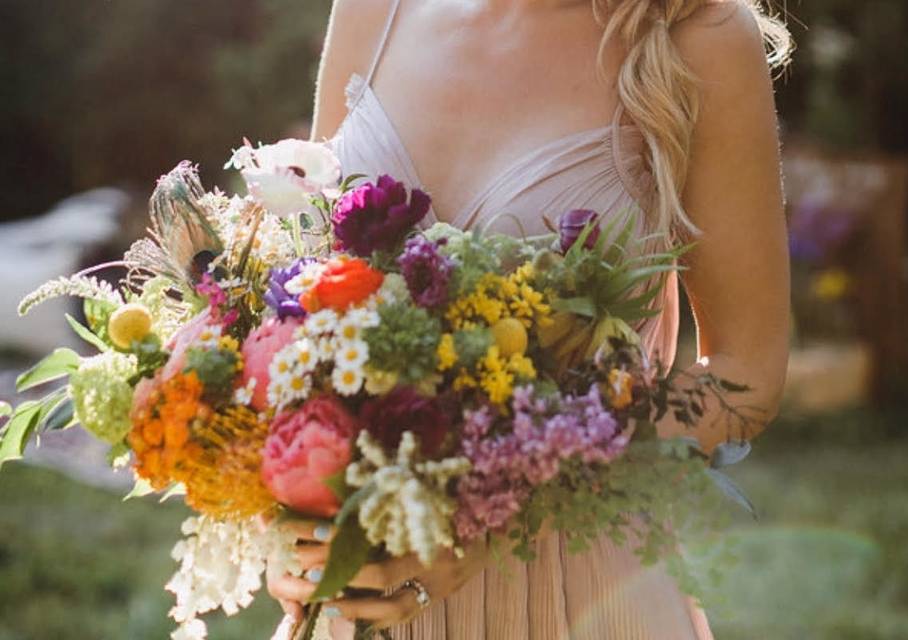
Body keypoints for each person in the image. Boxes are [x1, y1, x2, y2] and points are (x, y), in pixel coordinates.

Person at [269, 0, 792, 637]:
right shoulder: (375, 10)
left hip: (582, 589)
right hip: (363, 591)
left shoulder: (698, 33)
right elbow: (310, 302)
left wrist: (486, 525)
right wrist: (298, 525)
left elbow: (746, 370)